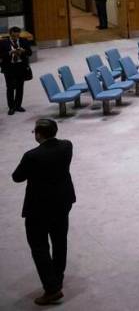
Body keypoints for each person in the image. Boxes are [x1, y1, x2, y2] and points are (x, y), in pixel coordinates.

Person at [11, 118, 76, 306]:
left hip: (38, 208)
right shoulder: (67, 146)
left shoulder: (32, 156)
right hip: (62, 202)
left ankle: (52, 289)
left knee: (39, 247)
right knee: (59, 241)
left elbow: (17, 177)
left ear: (38, 134)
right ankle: (57, 278)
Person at [2, 26, 32, 115]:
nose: (16, 38)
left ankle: (18, 105)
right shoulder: (3, 43)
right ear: (10, 34)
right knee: (10, 88)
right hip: (9, 68)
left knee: (20, 87)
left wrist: (23, 51)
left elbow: (29, 52)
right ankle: (11, 107)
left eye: (18, 36)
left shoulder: (24, 41)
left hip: (20, 67)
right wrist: (9, 53)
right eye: (14, 36)